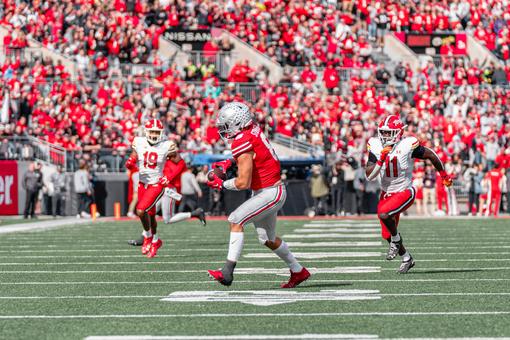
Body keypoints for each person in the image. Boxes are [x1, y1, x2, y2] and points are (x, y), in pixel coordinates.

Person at [206, 102, 310, 288]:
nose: (224, 130)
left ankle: (227, 271)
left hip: (270, 192)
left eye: (227, 125)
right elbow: (254, 151)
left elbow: (242, 183)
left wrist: (222, 184)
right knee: (267, 239)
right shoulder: (252, 129)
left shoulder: (241, 140)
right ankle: (298, 271)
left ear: (238, 123)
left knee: (236, 219)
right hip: (270, 190)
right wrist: (231, 162)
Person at [365, 115, 452, 274]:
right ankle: (406, 258)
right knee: (386, 234)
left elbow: (431, 154)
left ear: (398, 133)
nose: (384, 136)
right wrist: (381, 160)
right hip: (386, 194)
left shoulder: (406, 145)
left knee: (384, 215)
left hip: (405, 191)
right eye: (383, 133)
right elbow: (369, 175)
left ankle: (397, 241)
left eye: (388, 133)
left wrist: (444, 175)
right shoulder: (376, 145)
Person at [125, 119, 177, 258]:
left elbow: (178, 163)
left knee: (141, 211)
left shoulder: (167, 145)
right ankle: (155, 240)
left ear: (161, 133)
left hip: (156, 184)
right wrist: (131, 161)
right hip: (143, 183)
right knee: (151, 215)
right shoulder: (139, 141)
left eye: (156, 132)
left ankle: (147, 236)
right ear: (146, 132)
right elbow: (135, 155)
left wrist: (169, 176)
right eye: (152, 131)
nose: (154, 134)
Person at [160, 157, 206, 225]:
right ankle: (150, 234)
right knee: (149, 211)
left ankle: (194, 213)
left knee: (167, 219)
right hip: (165, 189)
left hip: (168, 189)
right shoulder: (182, 169)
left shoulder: (180, 165)